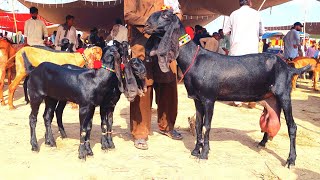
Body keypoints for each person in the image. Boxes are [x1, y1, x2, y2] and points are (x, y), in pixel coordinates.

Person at [125, 0, 183, 150]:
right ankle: (140, 133)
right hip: (142, 45)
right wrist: (154, 23)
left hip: (165, 45)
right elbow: (128, 15)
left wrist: (173, 20)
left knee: (168, 84)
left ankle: (167, 126)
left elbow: (178, 13)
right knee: (144, 86)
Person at [223, 0, 264, 108]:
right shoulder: (256, 14)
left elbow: (225, 31)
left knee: (237, 75)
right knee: (253, 75)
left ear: (240, 3)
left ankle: (237, 101)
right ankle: (252, 100)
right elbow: (261, 32)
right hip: (252, 49)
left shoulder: (233, 14)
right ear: (249, 2)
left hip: (237, 48)